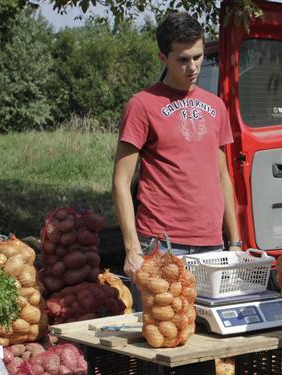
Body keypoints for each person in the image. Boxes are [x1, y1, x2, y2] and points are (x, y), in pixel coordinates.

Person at [112, 11, 242, 282]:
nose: (192, 67)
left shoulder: (217, 106)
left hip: (211, 243)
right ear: (163, 58)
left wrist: (236, 242)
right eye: (182, 60)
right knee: (163, 324)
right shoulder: (142, 104)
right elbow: (121, 181)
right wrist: (132, 248)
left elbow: (222, 176)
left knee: (207, 324)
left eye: (198, 56)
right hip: (161, 245)